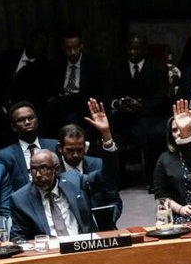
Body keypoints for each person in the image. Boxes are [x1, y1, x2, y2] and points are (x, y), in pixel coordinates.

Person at [10, 99, 118, 241]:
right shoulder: (20, 199)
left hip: (83, 246)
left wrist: (106, 134)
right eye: (33, 169)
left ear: (56, 169)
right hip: (49, 251)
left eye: (43, 168)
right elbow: (17, 238)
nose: (38, 174)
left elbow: (107, 175)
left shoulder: (75, 181)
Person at [109, 34, 169, 180]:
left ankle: (151, 177)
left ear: (144, 50)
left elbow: (161, 100)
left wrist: (141, 105)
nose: (132, 52)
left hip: (148, 115)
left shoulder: (158, 68)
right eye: (130, 48)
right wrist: (117, 103)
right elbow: (107, 94)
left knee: (148, 133)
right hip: (122, 114)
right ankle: (117, 176)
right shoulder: (116, 67)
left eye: (136, 49)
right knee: (109, 128)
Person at [57, 123, 123, 226]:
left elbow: (114, 201)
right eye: (70, 150)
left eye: (80, 150)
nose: (75, 155)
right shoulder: (53, 171)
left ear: (85, 147)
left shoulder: (98, 165)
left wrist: (107, 223)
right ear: (60, 148)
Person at [44, 27, 106, 135]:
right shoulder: (55, 65)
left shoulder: (93, 64)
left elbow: (98, 93)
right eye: (69, 48)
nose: (72, 52)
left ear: (81, 46)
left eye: (75, 48)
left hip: (82, 104)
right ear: (63, 47)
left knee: (72, 118)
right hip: (60, 104)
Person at [0, 101, 59, 191]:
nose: (27, 122)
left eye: (31, 118)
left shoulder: (54, 145)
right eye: (21, 120)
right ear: (13, 127)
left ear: (37, 121)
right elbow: (5, 189)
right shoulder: (5, 156)